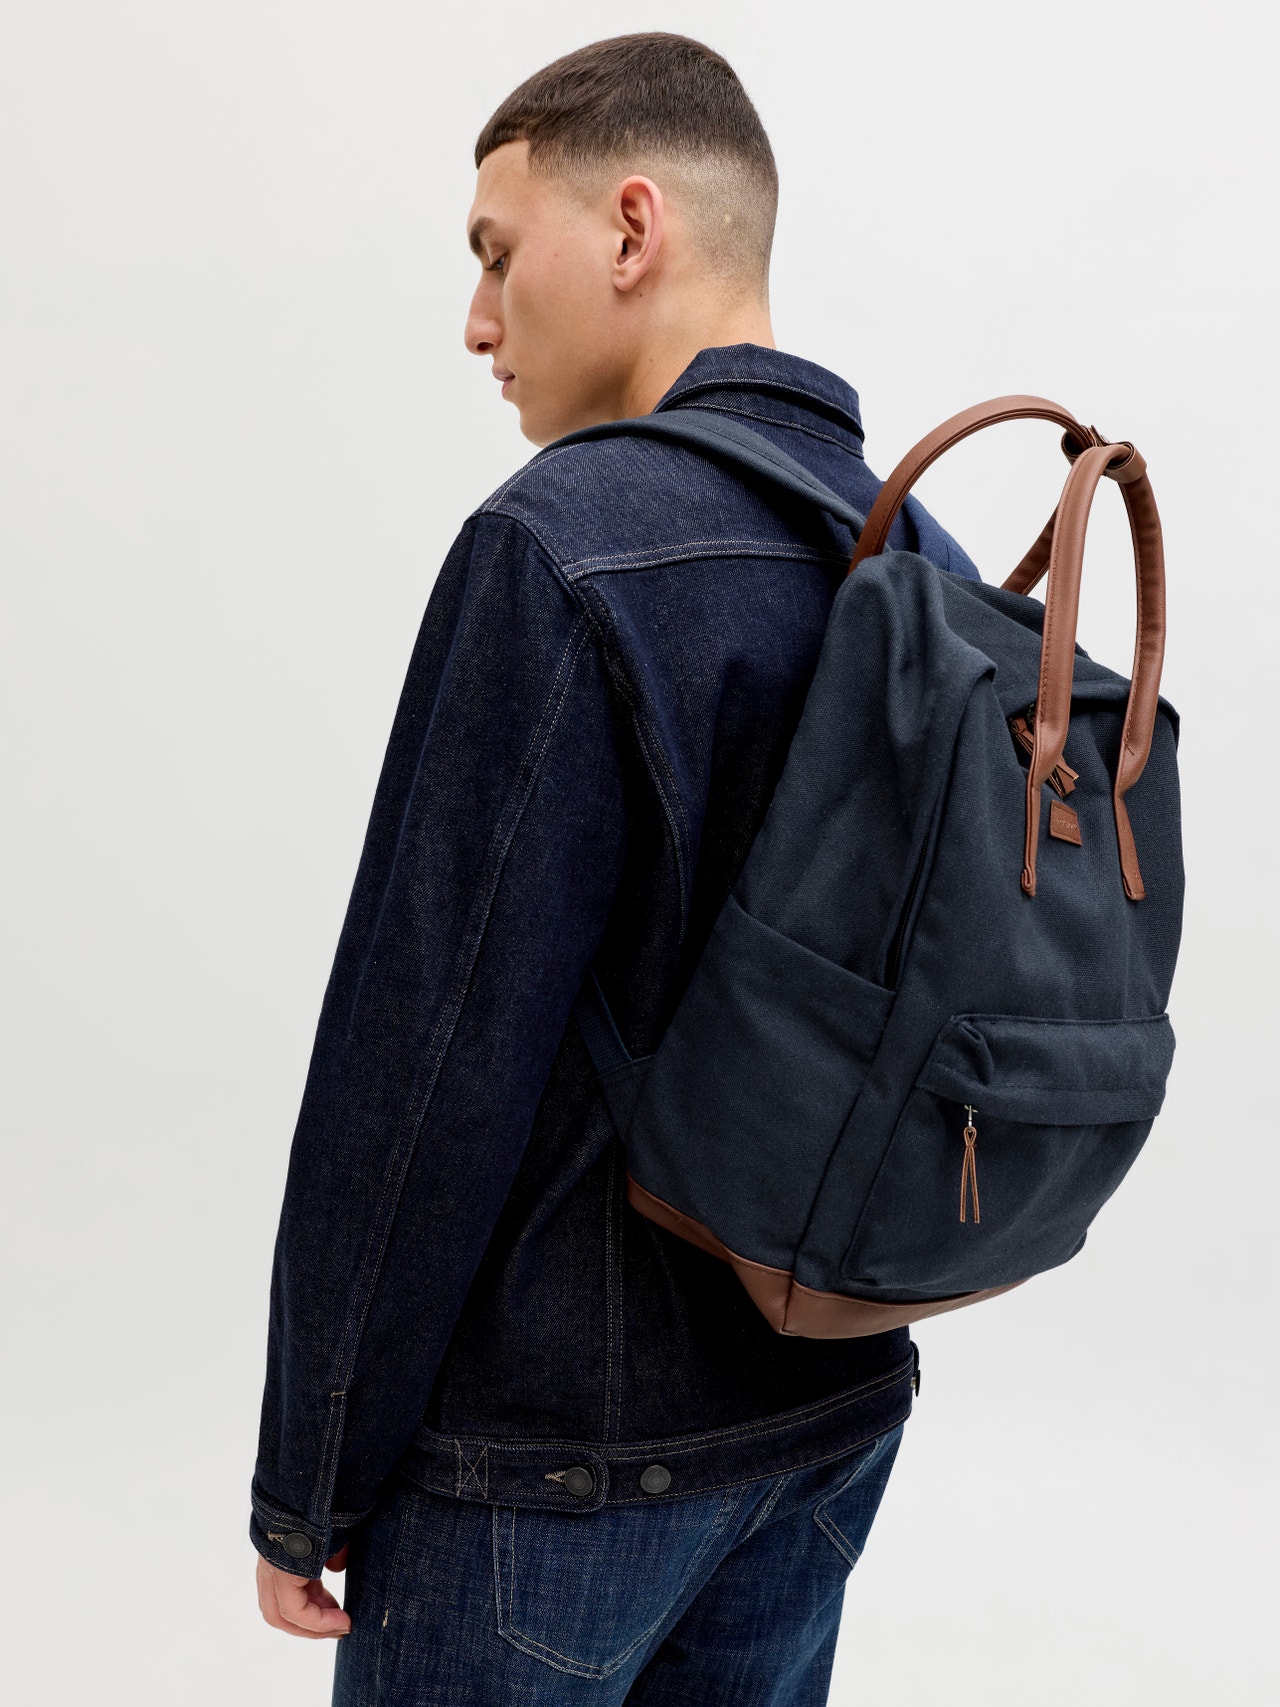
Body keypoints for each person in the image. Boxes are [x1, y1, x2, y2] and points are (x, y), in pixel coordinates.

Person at [252, 32, 979, 1704]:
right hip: (828, 1422)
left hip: (549, 1470)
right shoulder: (919, 558)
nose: (478, 320)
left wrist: (310, 1473)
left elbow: (426, 1055)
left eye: (498, 254)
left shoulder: (559, 545)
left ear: (633, 226)